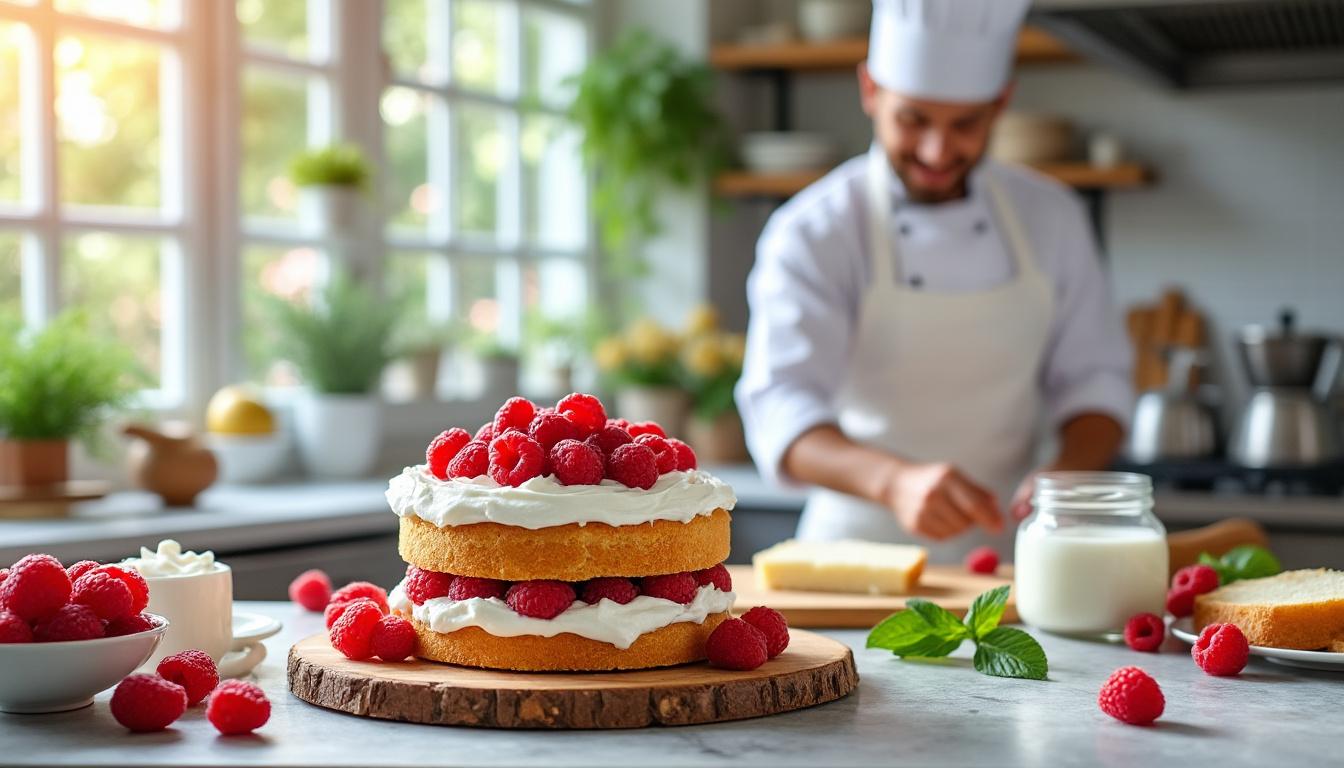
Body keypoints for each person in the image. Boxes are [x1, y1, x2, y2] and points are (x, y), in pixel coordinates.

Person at [734, 0, 1133, 560]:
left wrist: (1064, 479)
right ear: (871, 91)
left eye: (965, 124)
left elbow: (1097, 381)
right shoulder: (813, 230)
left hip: (1013, 558)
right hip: (853, 558)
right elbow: (781, 407)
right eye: (913, 119)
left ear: (1000, 105)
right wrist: (893, 481)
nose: (937, 151)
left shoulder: (1053, 217)